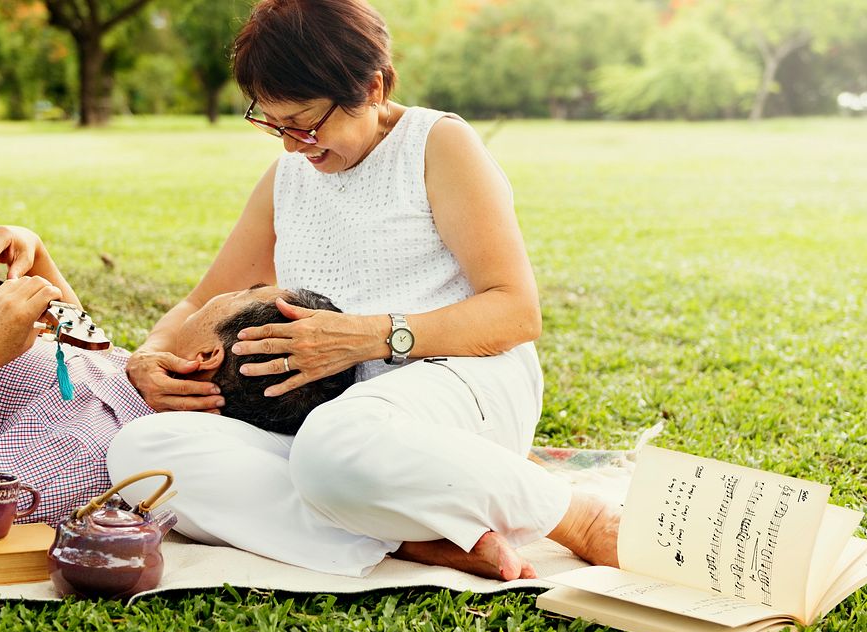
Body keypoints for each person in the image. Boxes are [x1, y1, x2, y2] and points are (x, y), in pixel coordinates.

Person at [101, 0, 620, 581]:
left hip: (459, 380)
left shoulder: (437, 146)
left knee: (333, 447)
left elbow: (516, 312)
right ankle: (405, 540)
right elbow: (201, 301)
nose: (292, 145)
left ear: (371, 87)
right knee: (142, 452)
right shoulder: (288, 177)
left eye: (304, 121)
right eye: (273, 123)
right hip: (332, 422)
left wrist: (369, 338)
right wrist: (146, 357)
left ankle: (577, 518)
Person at [0, 226, 355, 538]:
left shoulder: (82, 452)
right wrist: (32, 251)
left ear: (207, 356)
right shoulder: (148, 385)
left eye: (241, 295)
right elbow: (82, 355)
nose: (223, 293)